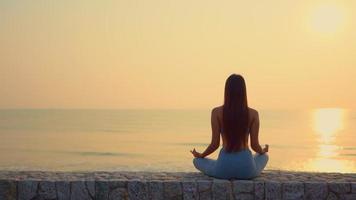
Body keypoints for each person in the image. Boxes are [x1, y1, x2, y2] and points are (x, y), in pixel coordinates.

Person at [190, 74, 268, 179]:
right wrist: (263, 151)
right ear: (243, 91)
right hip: (247, 170)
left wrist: (201, 155)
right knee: (264, 157)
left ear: (227, 91)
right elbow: (254, 146)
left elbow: (215, 144)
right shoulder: (253, 114)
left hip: (223, 169)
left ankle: (217, 163)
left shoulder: (216, 112)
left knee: (196, 161)